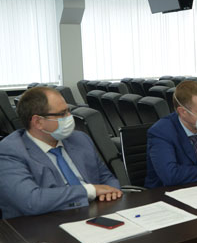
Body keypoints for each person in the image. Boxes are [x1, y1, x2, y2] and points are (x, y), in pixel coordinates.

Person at [0, 87, 122, 219]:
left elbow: (107, 178)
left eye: (68, 110)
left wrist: (111, 191)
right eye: (62, 114)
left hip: (94, 214)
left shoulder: (80, 139)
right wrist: (90, 190)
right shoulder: (10, 151)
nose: (69, 117)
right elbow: (31, 201)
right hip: (41, 223)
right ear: (38, 122)